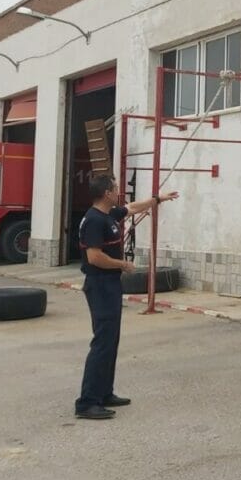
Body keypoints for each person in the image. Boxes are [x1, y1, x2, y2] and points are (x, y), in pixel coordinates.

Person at [74, 174, 179, 419]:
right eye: (115, 188)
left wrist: (158, 199)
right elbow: (95, 257)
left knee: (111, 340)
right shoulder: (93, 220)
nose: (118, 191)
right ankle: (87, 401)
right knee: (102, 342)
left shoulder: (109, 215)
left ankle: (104, 392)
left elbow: (132, 208)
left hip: (109, 285)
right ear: (107, 193)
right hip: (100, 284)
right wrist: (122, 264)